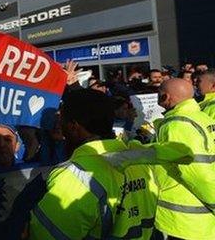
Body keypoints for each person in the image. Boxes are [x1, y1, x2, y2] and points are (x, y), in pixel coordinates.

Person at [28, 89, 160, 239]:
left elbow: (45, 235)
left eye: (61, 119)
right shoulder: (141, 162)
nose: (59, 126)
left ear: (73, 125)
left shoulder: (75, 175)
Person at [154, 78, 215, 239]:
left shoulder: (177, 124)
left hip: (181, 222)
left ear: (165, 97)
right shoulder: (202, 118)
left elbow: (198, 174)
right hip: (201, 219)